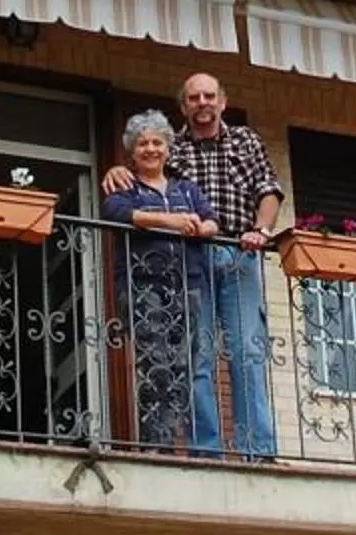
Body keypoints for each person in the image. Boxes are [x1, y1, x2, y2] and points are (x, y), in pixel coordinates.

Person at [100, 73, 282, 459]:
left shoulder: (246, 140)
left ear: (222, 101)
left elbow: (268, 190)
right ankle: (205, 450)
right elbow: (143, 178)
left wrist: (261, 231)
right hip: (190, 263)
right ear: (184, 106)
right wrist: (115, 170)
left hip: (238, 253)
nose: (203, 102)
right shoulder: (173, 146)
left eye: (209, 96)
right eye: (194, 97)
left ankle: (258, 451)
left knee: (246, 354)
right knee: (196, 358)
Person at [99, 110, 214, 451]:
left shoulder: (186, 189)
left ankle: (168, 440)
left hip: (187, 284)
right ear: (132, 152)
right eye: (142, 144)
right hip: (143, 284)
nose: (150, 149)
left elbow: (212, 221)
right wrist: (171, 221)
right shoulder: (126, 186)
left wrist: (199, 227)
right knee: (156, 361)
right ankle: (156, 444)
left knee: (181, 366)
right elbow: (118, 213)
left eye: (157, 143)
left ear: (167, 148)